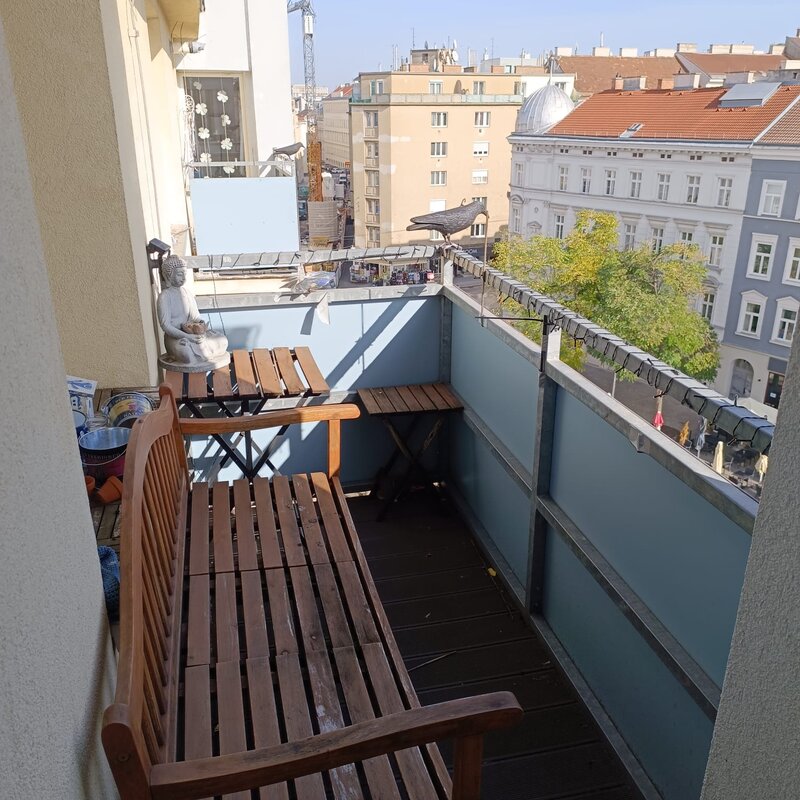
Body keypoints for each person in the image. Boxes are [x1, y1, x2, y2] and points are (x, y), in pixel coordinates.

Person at [157, 254, 229, 370]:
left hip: (192, 334)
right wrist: (186, 336)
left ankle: (204, 352)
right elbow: (165, 325)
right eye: (180, 274)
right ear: (169, 276)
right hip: (176, 337)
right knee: (186, 355)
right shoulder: (165, 296)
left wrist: (200, 325)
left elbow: (195, 316)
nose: (183, 278)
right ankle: (204, 354)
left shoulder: (186, 293)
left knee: (223, 340)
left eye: (184, 274)